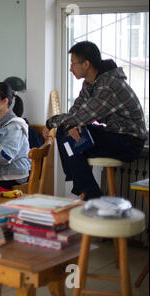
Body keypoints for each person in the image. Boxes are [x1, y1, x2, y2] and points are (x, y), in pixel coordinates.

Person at [43, 41, 147, 200]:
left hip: (129, 142)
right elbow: (76, 111)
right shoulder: (90, 84)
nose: (70, 68)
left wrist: (52, 122)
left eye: (73, 64)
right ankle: (86, 188)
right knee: (65, 134)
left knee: (67, 137)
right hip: (114, 134)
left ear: (86, 64)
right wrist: (71, 125)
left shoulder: (108, 85)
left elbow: (84, 115)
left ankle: (90, 193)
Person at [0, 82, 31, 189]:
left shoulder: (15, 126)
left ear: (5, 101)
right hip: (0, 171)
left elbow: (5, 156)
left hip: (13, 176)